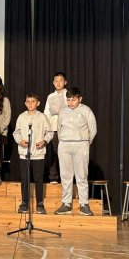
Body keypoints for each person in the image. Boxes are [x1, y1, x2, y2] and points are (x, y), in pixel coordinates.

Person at [54, 87, 97, 216]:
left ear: (80, 99)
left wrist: (85, 142)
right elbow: (59, 129)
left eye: (73, 99)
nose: (71, 102)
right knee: (65, 176)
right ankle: (66, 204)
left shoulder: (86, 110)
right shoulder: (63, 111)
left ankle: (84, 204)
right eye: (68, 100)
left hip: (80, 145)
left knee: (81, 175)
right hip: (65, 145)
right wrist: (63, 141)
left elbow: (93, 129)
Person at [13, 93, 53, 215]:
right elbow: (16, 133)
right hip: (24, 154)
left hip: (38, 154)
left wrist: (44, 141)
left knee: (38, 179)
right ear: (25, 103)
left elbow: (50, 132)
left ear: (38, 103)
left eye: (33, 101)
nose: (30, 104)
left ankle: (40, 203)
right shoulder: (21, 117)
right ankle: (24, 203)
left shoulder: (42, 117)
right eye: (28, 101)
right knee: (25, 179)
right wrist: (20, 141)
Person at [43, 72, 68, 184]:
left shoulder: (68, 95)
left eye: (61, 81)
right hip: (53, 129)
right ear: (53, 82)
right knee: (53, 154)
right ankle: (53, 177)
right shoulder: (50, 96)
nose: (58, 83)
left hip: (66, 129)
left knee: (65, 155)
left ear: (65, 82)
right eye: (56, 81)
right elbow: (46, 113)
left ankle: (66, 178)